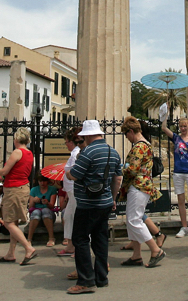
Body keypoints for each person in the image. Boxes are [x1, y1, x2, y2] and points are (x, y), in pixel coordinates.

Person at [66, 120, 122, 294]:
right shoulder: (113, 152)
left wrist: (67, 172)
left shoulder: (87, 152)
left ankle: (86, 281)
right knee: (100, 239)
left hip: (87, 203)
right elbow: (118, 179)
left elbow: (74, 175)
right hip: (105, 202)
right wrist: (113, 199)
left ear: (88, 135)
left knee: (80, 239)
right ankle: (101, 278)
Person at [0, 128, 38, 265]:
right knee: (13, 221)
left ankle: (28, 248)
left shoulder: (17, 152)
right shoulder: (29, 153)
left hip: (13, 188)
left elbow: (5, 171)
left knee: (8, 222)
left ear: (16, 139)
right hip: (23, 187)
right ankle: (11, 253)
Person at [119, 116, 166, 268]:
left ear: (131, 131)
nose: (127, 138)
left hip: (139, 186)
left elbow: (132, 169)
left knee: (134, 220)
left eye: (126, 135)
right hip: (143, 186)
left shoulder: (139, 146)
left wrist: (120, 169)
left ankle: (155, 249)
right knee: (133, 218)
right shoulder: (146, 144)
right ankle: (136, 255)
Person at [58, 128, 84, 257]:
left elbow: (75, 172)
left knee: (74, 218)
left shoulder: (75, 154)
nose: (66, 144)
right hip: (71, 191)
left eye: (66, 142)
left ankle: (76, 246)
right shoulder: (74, 153)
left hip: (75, 190)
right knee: (68, 216)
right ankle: (71, 245)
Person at [27, 175, 58, 247]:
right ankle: (29, 239)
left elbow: (52, 206)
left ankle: (51, 238)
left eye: (44, 181)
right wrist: (34, 201)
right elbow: (30, 207)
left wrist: (47, 203)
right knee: (36, 212)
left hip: (48, 214)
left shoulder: (52, 189)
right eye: (40, 181)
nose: (42, 183)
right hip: (36, 215)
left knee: (45, 211)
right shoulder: (34, 190)